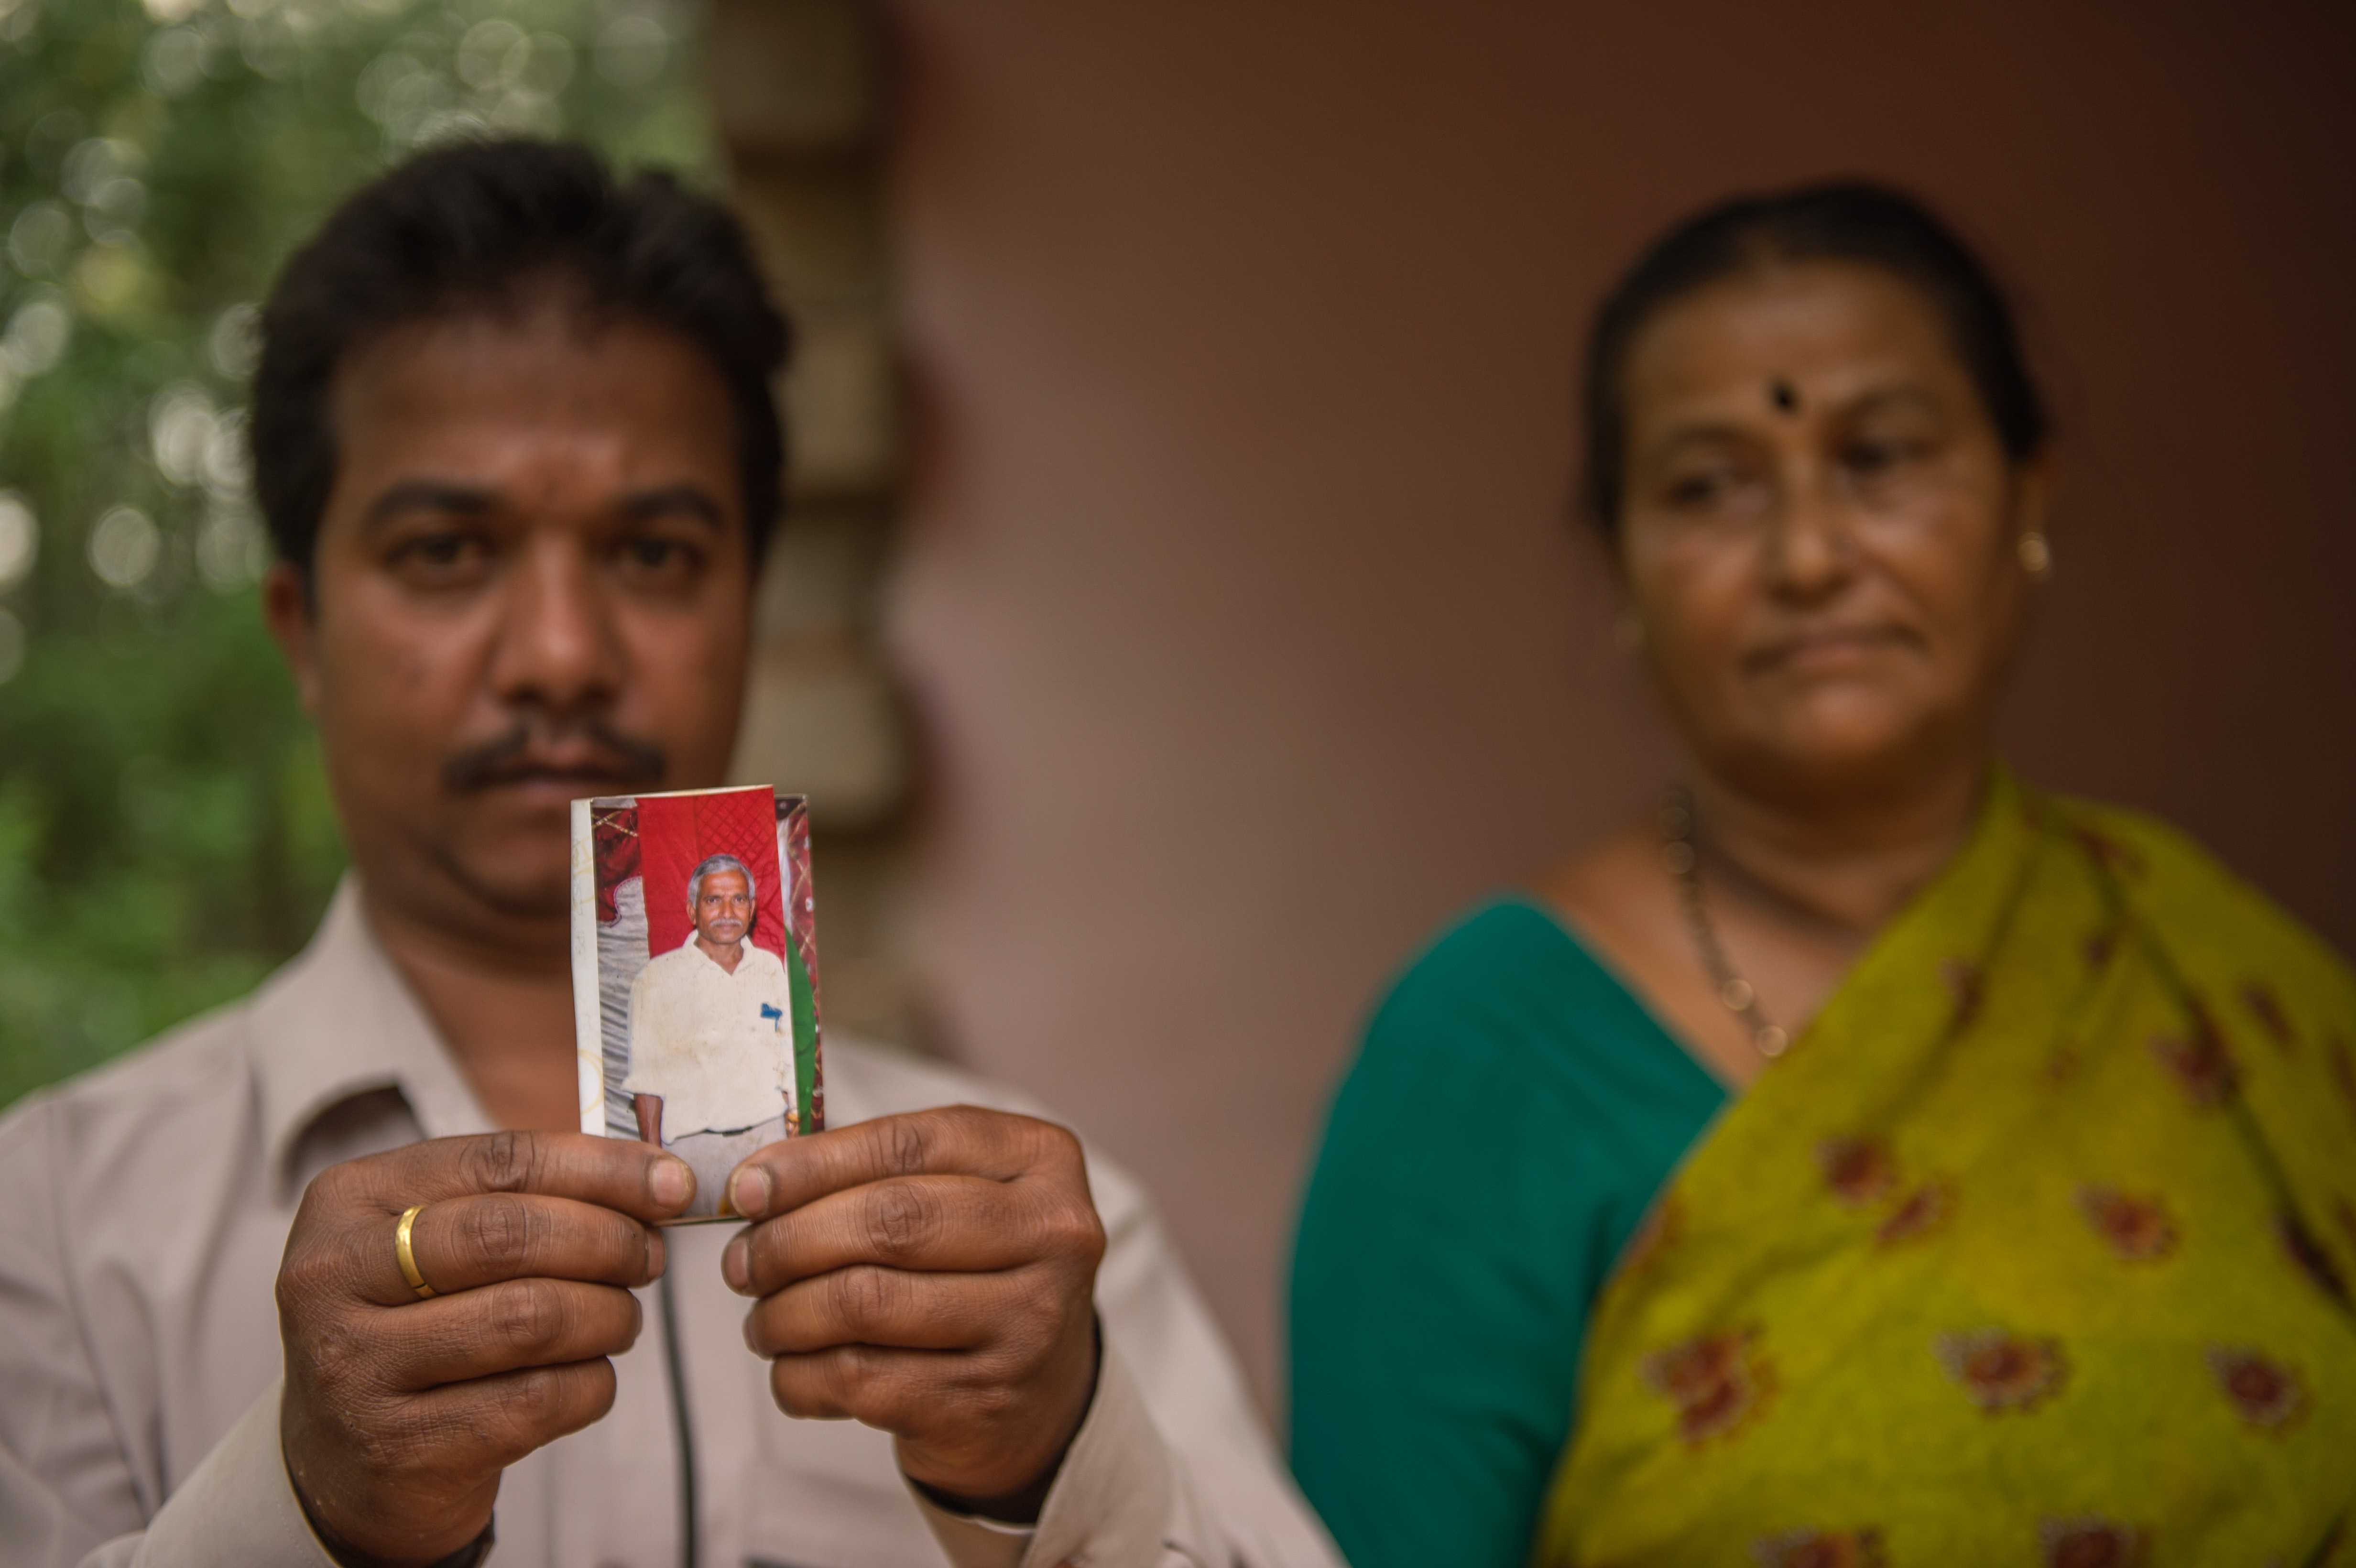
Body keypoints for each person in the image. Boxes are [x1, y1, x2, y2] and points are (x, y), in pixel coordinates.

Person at [0, 141, 1341, 1568]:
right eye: (448, 550)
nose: (563, 656)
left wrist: (1054, 1458)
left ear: (746, 611)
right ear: (300, 633)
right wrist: (300, 1510)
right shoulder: (59, 1230)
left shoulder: (1033, 1246)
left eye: (652, 554)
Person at [1289, 182, 2356, 1566]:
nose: (1807, 555)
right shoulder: (1486, 1056)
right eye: (1709, 487)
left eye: (1882, 458)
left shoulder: (2214, 972)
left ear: (2028, 498)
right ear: (1620, 569)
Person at [623, 855, 797, 1216]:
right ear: (692, 911)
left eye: (738, 900)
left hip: (769, 1139)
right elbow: (648, 1081)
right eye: (713, 900)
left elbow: (785, 1044)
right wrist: (655, 1165)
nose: (727, 912)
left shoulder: (769, 967)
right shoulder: (658, 979)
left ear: (751, 909)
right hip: (697, 1153)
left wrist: (792, 1121)